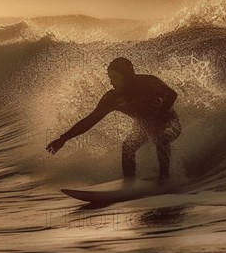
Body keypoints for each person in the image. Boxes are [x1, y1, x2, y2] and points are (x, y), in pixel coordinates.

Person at [46, 57, 181, 180]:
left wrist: (159, 117)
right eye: (110, 78)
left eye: (115, 78)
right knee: (127, 147)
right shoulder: (111, 99)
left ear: (127, 76)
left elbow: (171, 95)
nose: (111, 82)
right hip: (143, 126)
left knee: (160, 137)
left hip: (168, 122)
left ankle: (164, 177)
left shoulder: (148, 82)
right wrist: (63, 138)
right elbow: (90, 120)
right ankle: (130, 182)